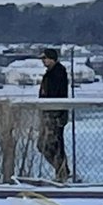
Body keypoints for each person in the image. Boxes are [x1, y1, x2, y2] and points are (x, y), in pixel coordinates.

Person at [38, 48, 70, 181]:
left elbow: (55, 93)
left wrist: (58, 114)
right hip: (48, 112)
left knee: (53, 144)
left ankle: (62, 171)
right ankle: (61, 170)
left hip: (55, 114)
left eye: (45, 58)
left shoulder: (58, 72)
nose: (43, 61)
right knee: (45, 144)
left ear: (52, 58)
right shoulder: (50, 73)